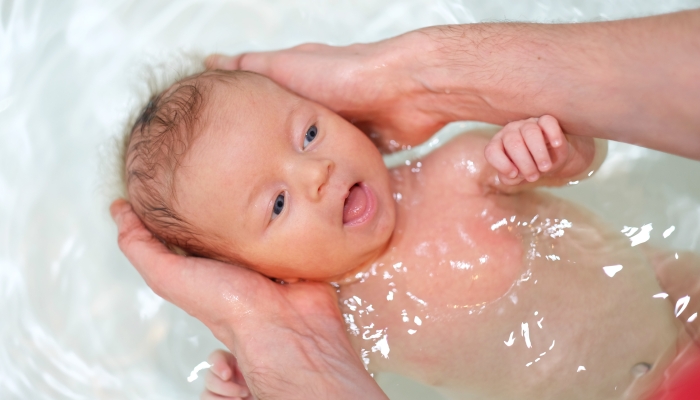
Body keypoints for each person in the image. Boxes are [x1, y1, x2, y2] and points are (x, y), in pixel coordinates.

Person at [111, 8, 700, 399]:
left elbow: (584, 153)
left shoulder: (460, 170)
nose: (316, 175)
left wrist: (552, 152)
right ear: (257, 272)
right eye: (277, 204)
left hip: (667, 297)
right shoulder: (333, 328)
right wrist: (256, 380)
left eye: (309, 134)